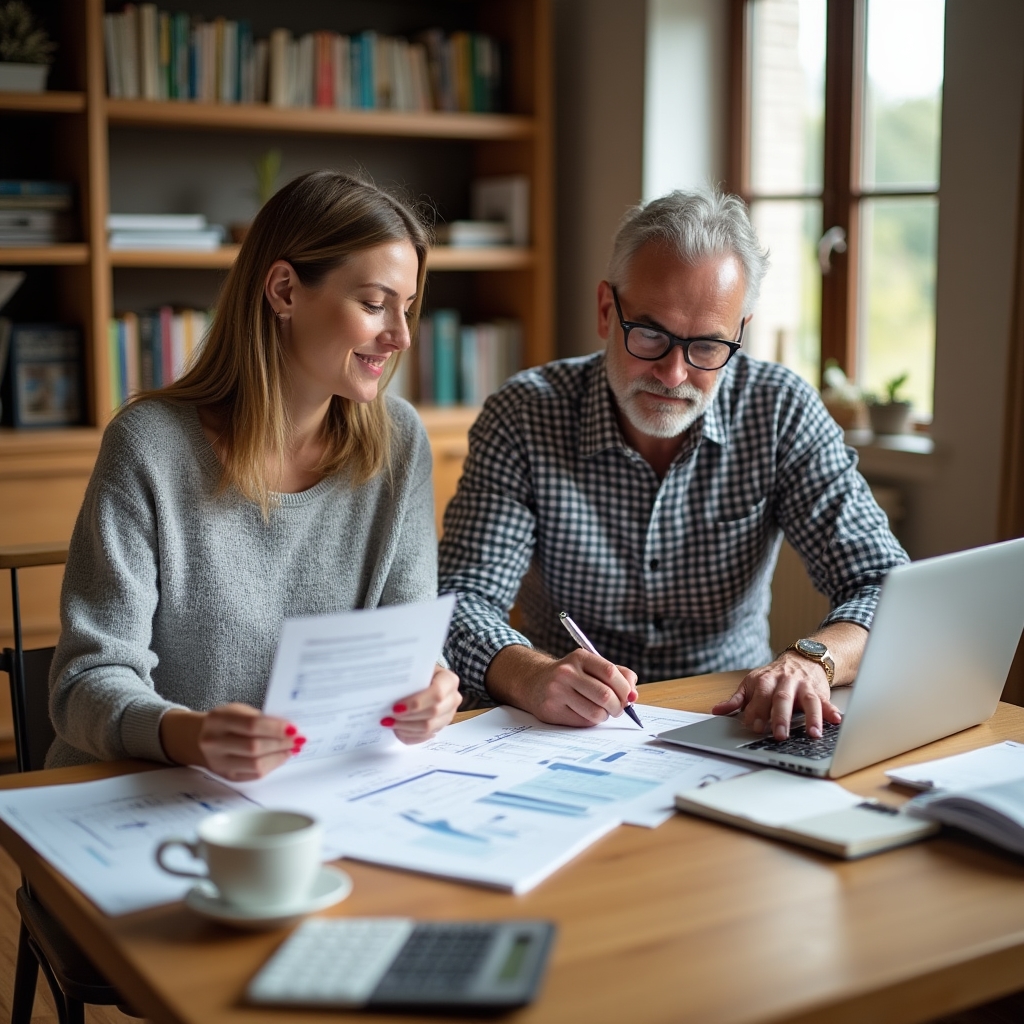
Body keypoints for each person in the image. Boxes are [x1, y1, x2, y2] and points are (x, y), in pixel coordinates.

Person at [439, 186, 908, 741]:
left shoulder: (779, 409)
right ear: (607, 310)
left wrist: (812, 660)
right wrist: (532, 674)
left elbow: (885, 584)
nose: (673, 374)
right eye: (651, 334)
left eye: (708, 346)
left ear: (740, 332)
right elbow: (462, 601)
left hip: (733, 720)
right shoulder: (524, 413)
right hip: (567, 727)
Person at [48, 170, 461, 780]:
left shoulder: (398, 441)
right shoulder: (150, 446)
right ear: (284, 290)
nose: (399, 336)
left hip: (319, 789)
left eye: (407, 308)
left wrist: (433, 689)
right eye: (374, 305)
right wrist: (189, 735)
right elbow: (84, 683)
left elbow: (411, 649)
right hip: (144, 791)